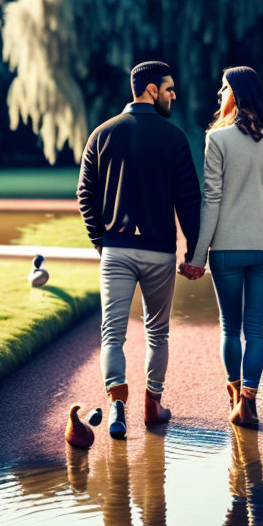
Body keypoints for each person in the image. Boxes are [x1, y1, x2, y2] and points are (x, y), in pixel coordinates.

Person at [77, 60, 202, 439]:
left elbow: (85, 195)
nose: (173, 95)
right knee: (157, 333)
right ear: (150, 90)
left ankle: (117, 403)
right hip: (158, 252)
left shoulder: (101, 134)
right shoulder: (174, 137)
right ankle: (152, 405)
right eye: (168, 89)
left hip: (116, 249)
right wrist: (194, 252)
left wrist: (102, 241)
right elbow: (189, 201)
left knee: (111, 334)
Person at [182, 66, 263, 428]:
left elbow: (212, 200)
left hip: (227, 251)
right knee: (255, 329)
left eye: (223, 89)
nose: (219, 95)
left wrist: (198, 256)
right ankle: (248, 401)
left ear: (234, 93)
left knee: (230, 328)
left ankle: (236, 399)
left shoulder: (216, 140)